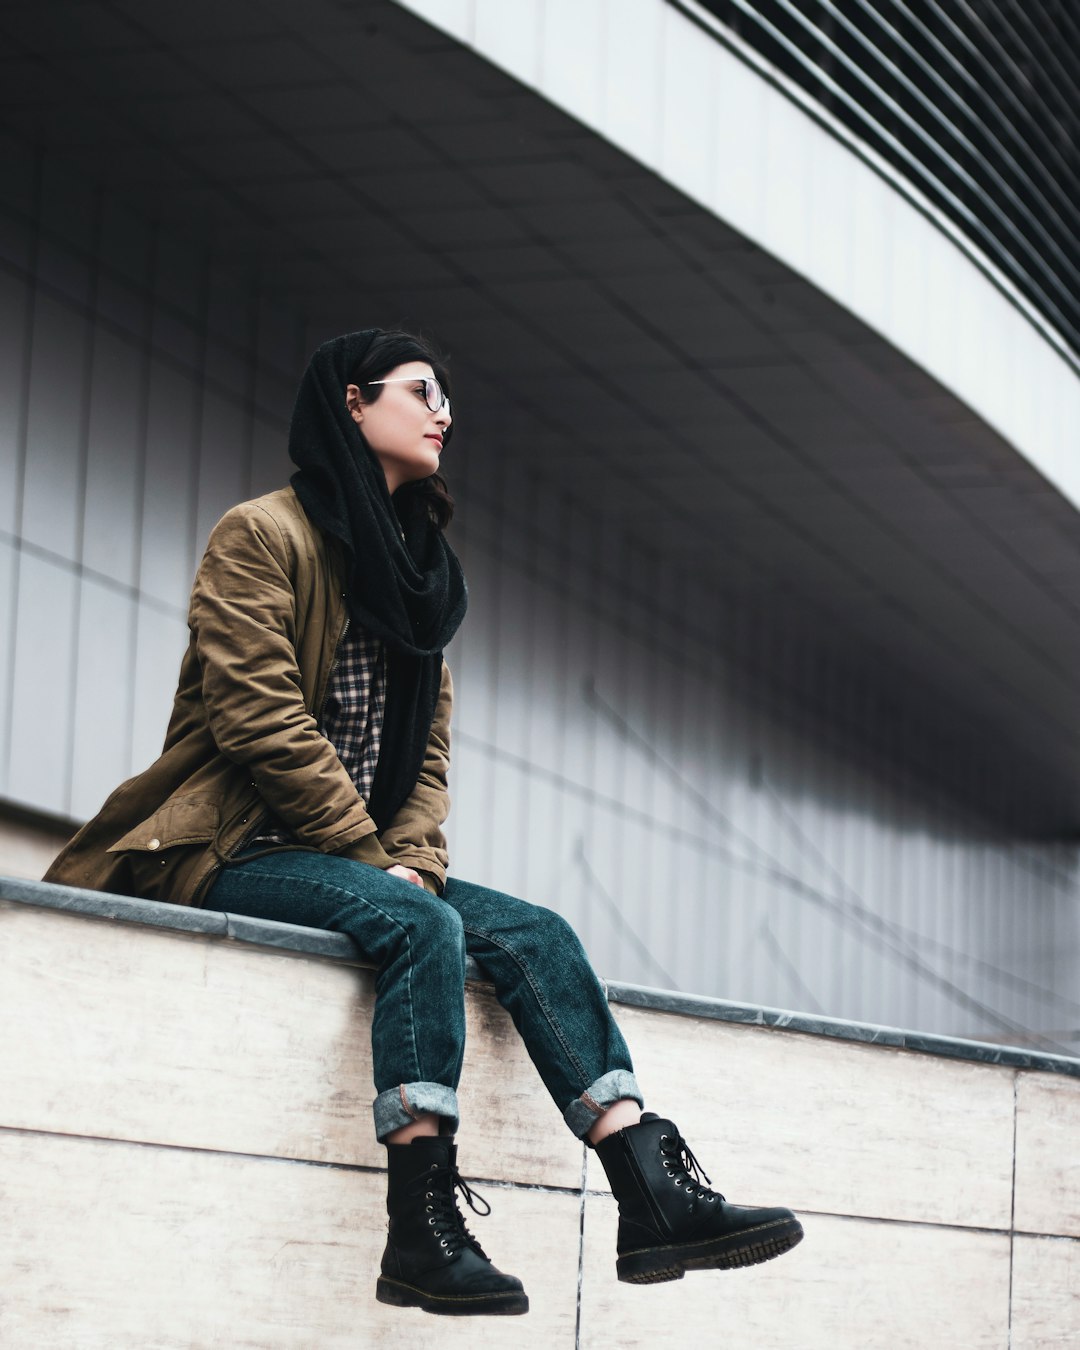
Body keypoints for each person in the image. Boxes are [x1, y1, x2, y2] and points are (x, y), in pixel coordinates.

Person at [45, 329, 803, 1316]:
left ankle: (649, 1187)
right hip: (234, 844)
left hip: (359, 861)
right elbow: (256, 716)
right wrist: (374, 860)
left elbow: (428, 763)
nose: (443, 411)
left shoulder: (422, 575)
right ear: (353, 404)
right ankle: (420, 1229)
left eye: (444, 396)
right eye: (420, 390)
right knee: (423, 925)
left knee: (538, 934)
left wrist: (407, 857)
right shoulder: (261, 535)